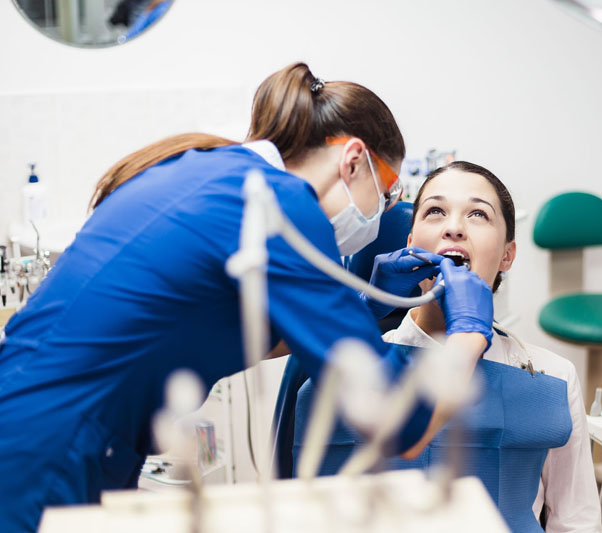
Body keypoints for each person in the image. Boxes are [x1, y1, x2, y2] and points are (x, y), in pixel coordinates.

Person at [0, 63, 493, 532]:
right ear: (352, 159)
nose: (384, 210)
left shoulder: (208, 168)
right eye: (386, 192)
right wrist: (471, 332)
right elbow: (398, 423)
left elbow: (223, 331)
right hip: (49, 449)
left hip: (32, 418)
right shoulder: (280, 207)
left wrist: (365, 307)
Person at [290, 161, 602, 532]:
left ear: (507, 254)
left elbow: (576, 519)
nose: (454, 227)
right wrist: (361, 312)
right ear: (410, 244)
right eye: (435, 211)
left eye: (478, 214)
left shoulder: (552, 379)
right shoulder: (352, 364)